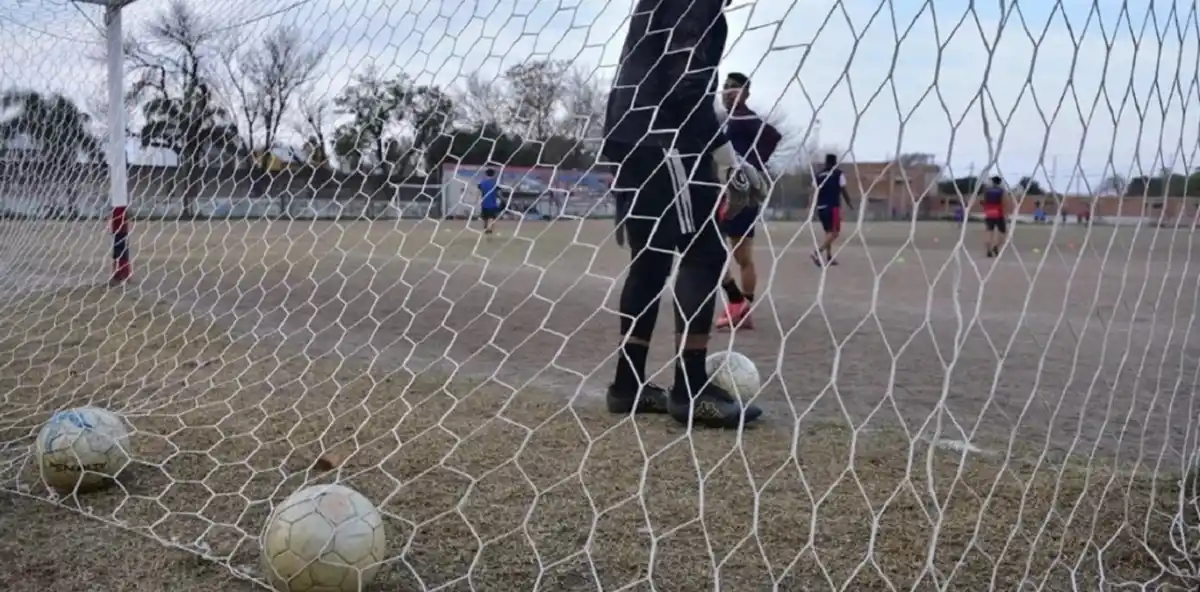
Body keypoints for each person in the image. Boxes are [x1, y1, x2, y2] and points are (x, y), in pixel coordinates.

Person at [603, 0, 767, 428]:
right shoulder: (700, 5)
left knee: (652, 258)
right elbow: (686, 85)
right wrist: (727, 155)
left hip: (629, 136)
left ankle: (627, 384)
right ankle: (691, 386)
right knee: (705, 252)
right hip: (665, 138)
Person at [715, 72, 781, 331]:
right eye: (725, 88)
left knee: (741, 255)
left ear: (745, 93)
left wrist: (752, 165)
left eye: (734, 88)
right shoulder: (725, 120)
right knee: (716, 248)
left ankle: (742, 308)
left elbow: (772, 137)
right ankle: (739, 304)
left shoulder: (746, 118)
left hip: (740, 194)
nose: (728, 92)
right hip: (723, 192)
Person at [812, 154, 854, 267]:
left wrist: (811, 205)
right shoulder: (838, 174)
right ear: (835, 163)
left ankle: (829, 257)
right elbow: (843, 189)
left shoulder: (818, 175)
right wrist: (849, 203)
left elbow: (814, 191)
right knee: (835, 233)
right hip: (833, 207)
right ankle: (817, 252)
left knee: (828, 232)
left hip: (821, 207)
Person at [982, 176, 1007, 257]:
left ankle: (988, 251)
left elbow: (983, 201)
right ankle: (996, 247)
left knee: (989, 233)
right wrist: (1006, 213)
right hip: (998, 213)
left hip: (989, 213)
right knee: (1003, 233)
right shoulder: (1001, 191)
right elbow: (1003, 203)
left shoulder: (987, 191)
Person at [477, 169, 502, 234]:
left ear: (486, 174)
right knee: (491, 217)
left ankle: (486, 227)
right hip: (493, 203)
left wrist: (477, 200)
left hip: (484, 203)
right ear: (493, 175)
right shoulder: (495, 184)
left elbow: (479, 192)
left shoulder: (482, 183)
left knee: (485, 217)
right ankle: (489, 229)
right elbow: (499, 193)